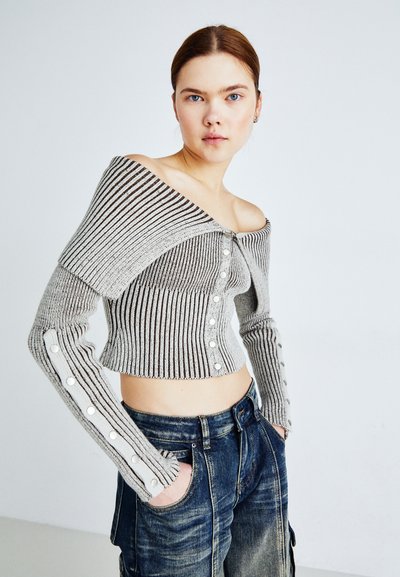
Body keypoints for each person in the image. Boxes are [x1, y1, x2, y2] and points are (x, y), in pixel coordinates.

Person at [27, 23, 296, 577]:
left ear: (258, 106)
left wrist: (277, 420)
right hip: (173, 451)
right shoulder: (140, 184)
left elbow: (258, 323)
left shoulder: (250, 217)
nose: (214, 115)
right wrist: (150, 472)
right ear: (174, 104)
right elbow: (52, 333)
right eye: (195, 97)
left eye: (233, 96)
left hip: (254, 441)